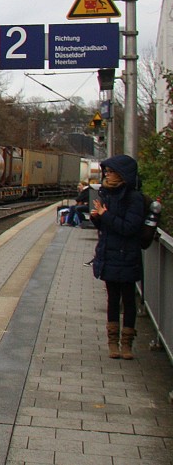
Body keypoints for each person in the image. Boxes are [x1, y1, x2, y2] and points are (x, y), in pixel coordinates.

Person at [88, 154, 147, 359]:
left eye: (111, 172)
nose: (107, 175)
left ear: (123, 174)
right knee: (113, 299)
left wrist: (105, 215)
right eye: (107, 171)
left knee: (128, 300)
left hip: (127, 255)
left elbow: (129, 227)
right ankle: (112, 342)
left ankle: (127, 344)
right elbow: (106, 227)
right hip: (109, 254)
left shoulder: (134, 198)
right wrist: (97, 218)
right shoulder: (107, 195)